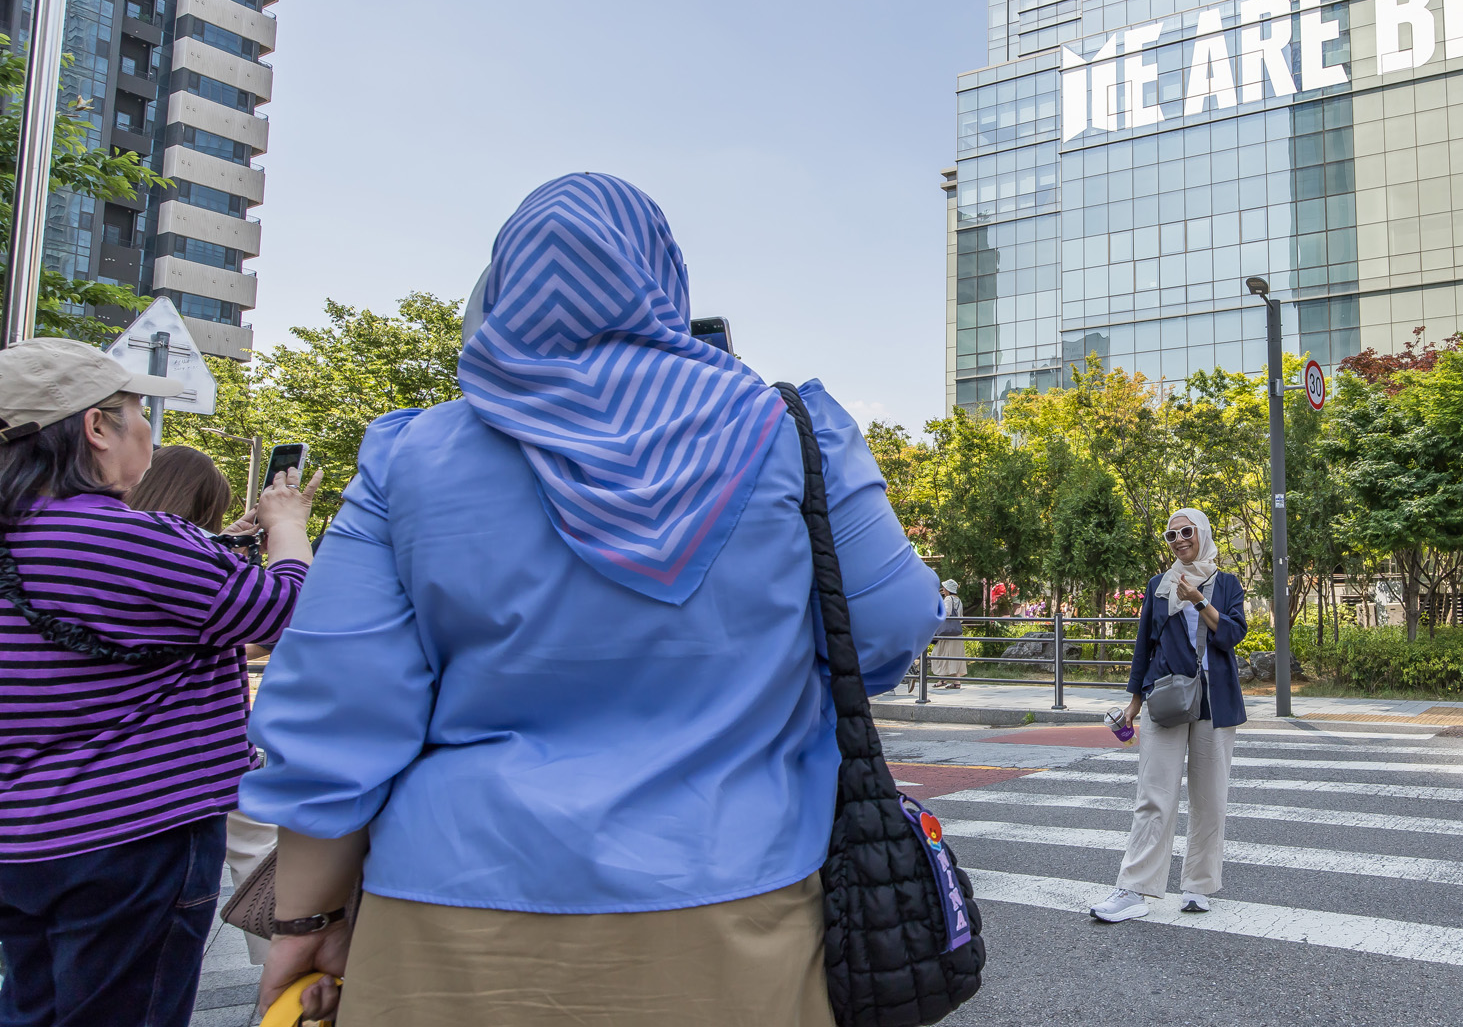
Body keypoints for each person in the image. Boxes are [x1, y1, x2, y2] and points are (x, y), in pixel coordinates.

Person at [239, 173, 942, 1026]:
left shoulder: (411, 456)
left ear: (502, 288)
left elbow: (336, 709)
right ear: (665, 282)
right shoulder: (795, 433)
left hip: (446, 918)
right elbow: (896, 618)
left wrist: (308, 919)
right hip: (739, 903)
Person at [0, 339, 319, 1027]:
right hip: (135, 838)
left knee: (36, 1010)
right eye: (138, 409)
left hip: (24, 839)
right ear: (95, 428)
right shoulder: (127, 538)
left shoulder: (24, 535)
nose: (146, 427)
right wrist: (289, 526)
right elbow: (288, 611)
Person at [127, 446, 286, 964]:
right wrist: (286, 530)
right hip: (190, 765)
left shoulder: (89, 547)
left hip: (115, 780)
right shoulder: (170, 555)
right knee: (259, 851)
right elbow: (286, 614)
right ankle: (281, 970)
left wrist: (224, 547)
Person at [1093, 508, 1247, 923]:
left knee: (1209, 799)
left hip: (1216, 703)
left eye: (1186, 531)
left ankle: (1198, 887)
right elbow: (1145, 643)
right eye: (1170, 534)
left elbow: (1233, 634)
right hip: (1165, 698)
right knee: (1153, 796)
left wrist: (1200, 601)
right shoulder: (1158, 586)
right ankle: (1134, 889)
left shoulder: (1226, 584)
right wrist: (1133, 703)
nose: (1178, 539)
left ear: (1202, 534)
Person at [932, 577, 967, 687]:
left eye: (944, 588)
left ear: (947, 589)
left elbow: (946, 612)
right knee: (954, 656)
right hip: (957, 632)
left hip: (947, 633)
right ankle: (956, 682)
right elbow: (960, 617)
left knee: (938, 654)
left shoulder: (948, 599)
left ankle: (942, 680)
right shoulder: (959, 600)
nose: (943, 590)